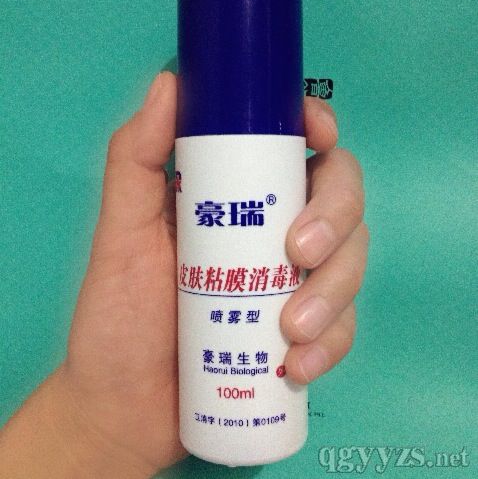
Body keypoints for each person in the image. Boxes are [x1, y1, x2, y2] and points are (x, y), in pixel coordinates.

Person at [0, 72, 368, 478]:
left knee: (308, 246)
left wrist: (95, 432)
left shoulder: (276, 149)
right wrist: (93, 426)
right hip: (156, 407)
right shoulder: (199, 152)